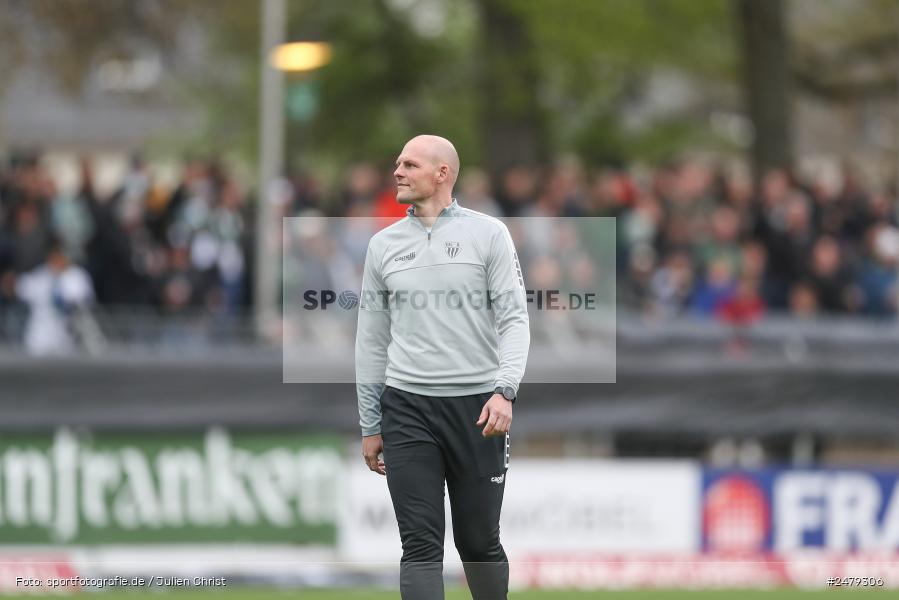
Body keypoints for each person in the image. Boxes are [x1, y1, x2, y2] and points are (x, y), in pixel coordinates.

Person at [355, 135, 530, 600]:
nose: (397, 171)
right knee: (419, 546)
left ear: (441, 174)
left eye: (409, 164)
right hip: (406, 408)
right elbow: (371, 341)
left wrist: (505, 390)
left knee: (477, 543)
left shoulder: (489, 233)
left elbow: (515, 319)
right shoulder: (382, 245)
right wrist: (371, 421)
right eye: (397, 163)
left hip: (477, 409)